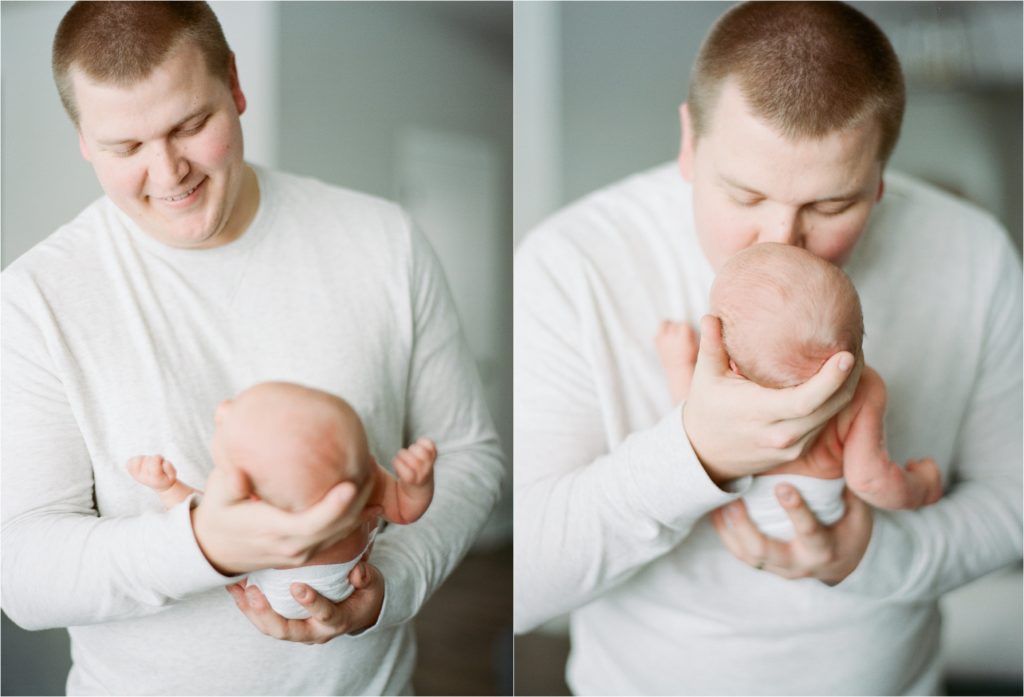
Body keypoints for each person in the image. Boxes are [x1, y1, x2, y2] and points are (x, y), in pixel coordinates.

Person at [514, 2, 1021, 694]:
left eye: (833, 205)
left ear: (880, 175)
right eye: (743, 194)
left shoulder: (974, 254)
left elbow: (1012, 503)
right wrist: (695, 452)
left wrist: (871, 553)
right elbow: (524, 585)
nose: (780, 241)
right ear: (690, 140)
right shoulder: (570, 265)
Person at [1, 2, 503, 694]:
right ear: (83, 138)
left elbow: (471, 454)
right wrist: (205, 544)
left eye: (191, 125)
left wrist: (390, 582)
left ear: (235, 85)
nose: (169, 171)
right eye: (126, 147)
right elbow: (23, 570)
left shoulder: (385, 241)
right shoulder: (35, 299)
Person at [656, 242, 942, 541]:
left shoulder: (728, 397)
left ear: (732, 364)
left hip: (733, 512)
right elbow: (869, 481)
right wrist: (922, 487)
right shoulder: (865, 388)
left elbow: (689, 415)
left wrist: (678, 364)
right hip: (822, 517)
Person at [127, 381, 437, 620]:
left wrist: (169, 487)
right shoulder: (359, 476)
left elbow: (204, 520)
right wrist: (416, 485)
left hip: (276, 589)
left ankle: (170, 490)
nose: (223, 409)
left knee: (209, 519)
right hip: (347, 576)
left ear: (251, 494)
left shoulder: (256, 512)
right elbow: (406, 512)